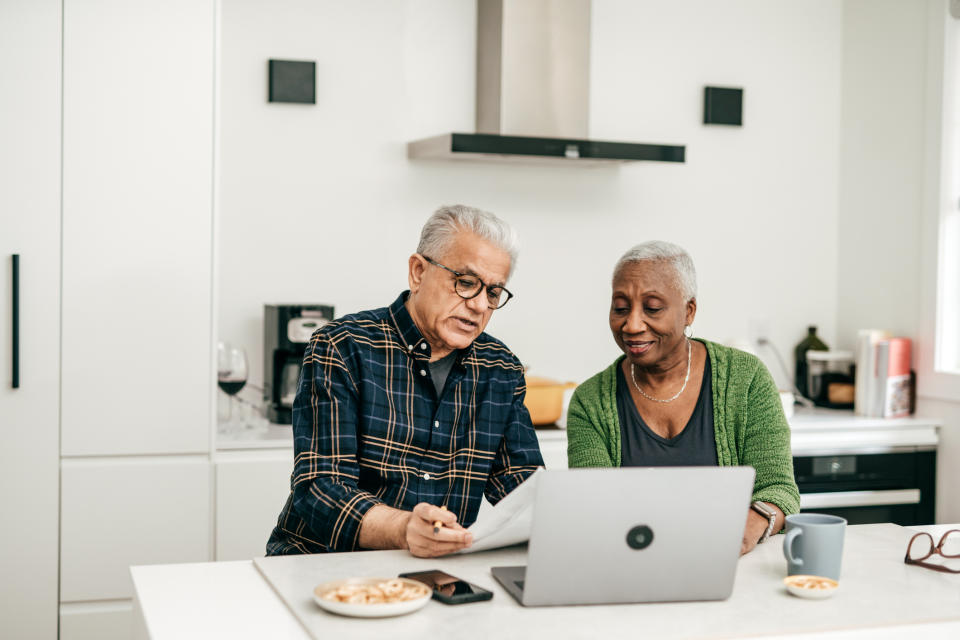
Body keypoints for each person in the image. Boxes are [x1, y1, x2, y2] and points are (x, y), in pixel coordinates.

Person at [267, 205, 543, 558]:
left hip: (435, 571)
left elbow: (525, 494)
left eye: (493, 293)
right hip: (320, 562)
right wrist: (405, 529)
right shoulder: (343, 347)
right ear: (418, 272)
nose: (479, 305)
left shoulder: (501, 369)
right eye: (466, 283)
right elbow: (320, 489)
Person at [566, 241, 800, 555]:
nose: (632, 325)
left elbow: (778, 488)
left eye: (652, 308)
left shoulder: (746, 379)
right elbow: (593, 506)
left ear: (688, 311)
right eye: (620, 308)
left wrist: (750, 525)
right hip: (631, 565)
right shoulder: (590, 401)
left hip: (731, 565)